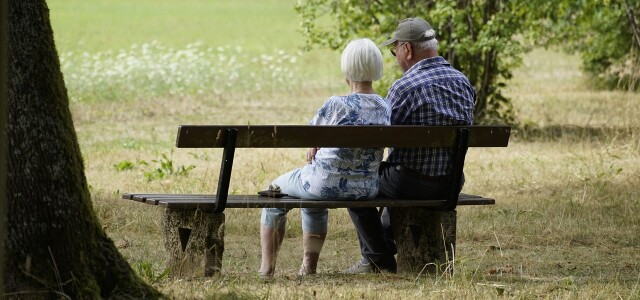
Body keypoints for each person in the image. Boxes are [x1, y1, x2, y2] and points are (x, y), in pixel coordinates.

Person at [344, 17, 476, 274]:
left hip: (410, 183)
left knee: (354, 183)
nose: (395, 58)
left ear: (407, 49)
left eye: (395, 51)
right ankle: (382, 248)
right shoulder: (464, 83)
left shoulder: (404, 88)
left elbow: (381, 138)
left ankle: (378, 259)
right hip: (450, 182)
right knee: (394, 174)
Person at [259, 38, 391, 277]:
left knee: (274, 191)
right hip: (365, 189)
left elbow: (309, 134)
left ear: (347, 69)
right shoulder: (385, 106)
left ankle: (266, 269)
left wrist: (315, 144)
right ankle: (308, 268)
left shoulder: (336, 104)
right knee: (311, 198)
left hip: (324, 184)